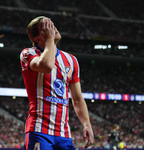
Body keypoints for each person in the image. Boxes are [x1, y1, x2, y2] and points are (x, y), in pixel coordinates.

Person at [20, 16, 94, 150]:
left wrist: (87, 124)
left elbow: (77, 99)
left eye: (52, 25)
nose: (52, 28)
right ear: (37, 38)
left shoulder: (71, 60)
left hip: (64, 134)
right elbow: (47, 66)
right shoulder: (28, 53)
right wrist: (50, 40)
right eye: (47, 27)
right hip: (39, 130)